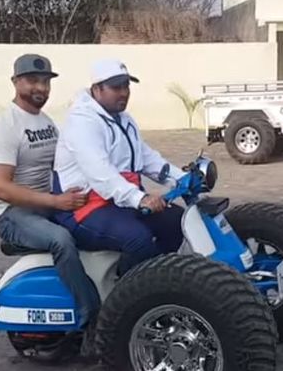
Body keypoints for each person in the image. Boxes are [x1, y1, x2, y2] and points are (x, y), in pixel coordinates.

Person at [0, 53, 101, 329]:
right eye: (32, 81)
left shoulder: (47, 122)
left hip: (47, 206)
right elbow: (2, 188)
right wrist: (56, 201)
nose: (40, 88)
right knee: (61, 240)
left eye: (45, 82)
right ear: (15, 82)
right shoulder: (6, 125)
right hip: (12, 214)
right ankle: (91, 319)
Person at [52, 59, 187, 276]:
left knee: (178, 222)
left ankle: (158, 282)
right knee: (138, 239)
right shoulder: (82, 121)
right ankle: (124, 300)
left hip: (117, 201)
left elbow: (146, 158)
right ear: (97, 89)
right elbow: (100, 173)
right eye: (116, 87)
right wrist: (140, 199)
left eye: (126, 86)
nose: (123, 92)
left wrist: (182, 179)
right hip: (85, 207)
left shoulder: (123, 119)